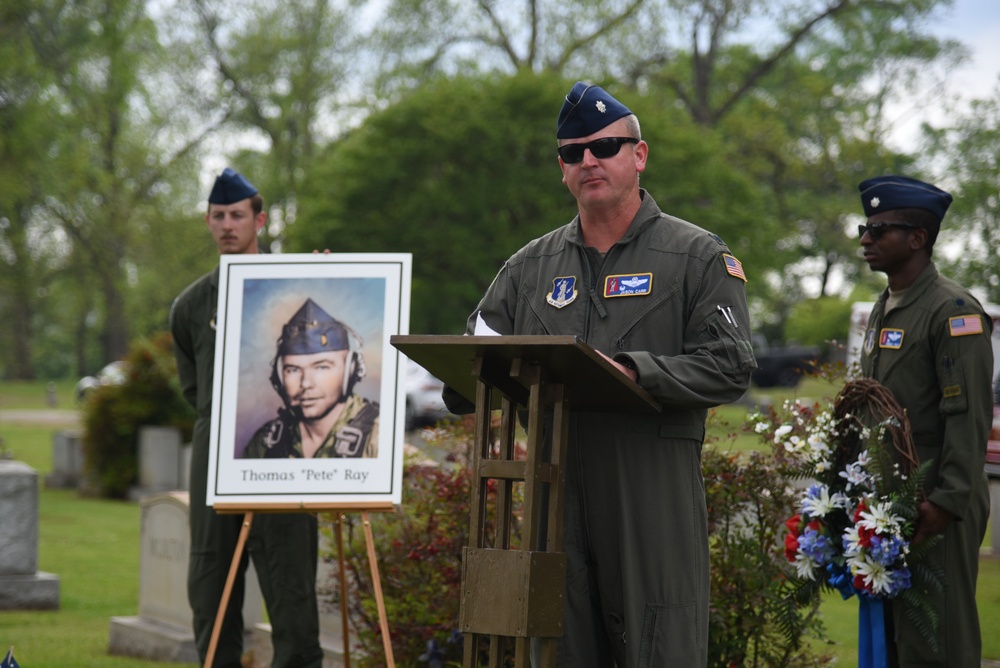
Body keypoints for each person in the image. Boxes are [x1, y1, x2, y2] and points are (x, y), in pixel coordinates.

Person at [443, 82, 757, 667]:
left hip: (649, 486)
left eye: (606, 146)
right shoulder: (527, 268)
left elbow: (730, 363)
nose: (589, 160)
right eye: (573, 152)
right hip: (552, 492)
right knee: (556, 649)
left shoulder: (696, 257)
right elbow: (474, 353)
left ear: (639, 155)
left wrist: (637, 371)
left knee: (660, 647)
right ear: (561, 169)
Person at [169, 168, 324, 668]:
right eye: (218, 216)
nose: (227, 225)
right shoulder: (191, 306)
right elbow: (196, 390)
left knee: (290, 585)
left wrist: (326, 278)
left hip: (282, 458)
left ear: (259, 220)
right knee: (210, 583)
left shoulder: (295, 287)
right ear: (208, 222)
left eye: (237, 215)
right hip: (216, 456)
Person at [855, 175, 992, 667]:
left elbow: (967, 414)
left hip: (936, 502)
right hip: (893, 502)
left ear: (917, 238)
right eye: (864, 228)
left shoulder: (953, 312)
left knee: (938, 641)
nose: (865, 240)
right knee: (897, 641)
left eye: (879, 229)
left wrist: (945, 501)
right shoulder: (885, 307)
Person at [242, 297, 379, 459]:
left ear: (350, 371)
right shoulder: (266, 443)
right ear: (279, 378)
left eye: (321, 367)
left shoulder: (380, 437)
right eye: (293, 370)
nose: (306, 383)